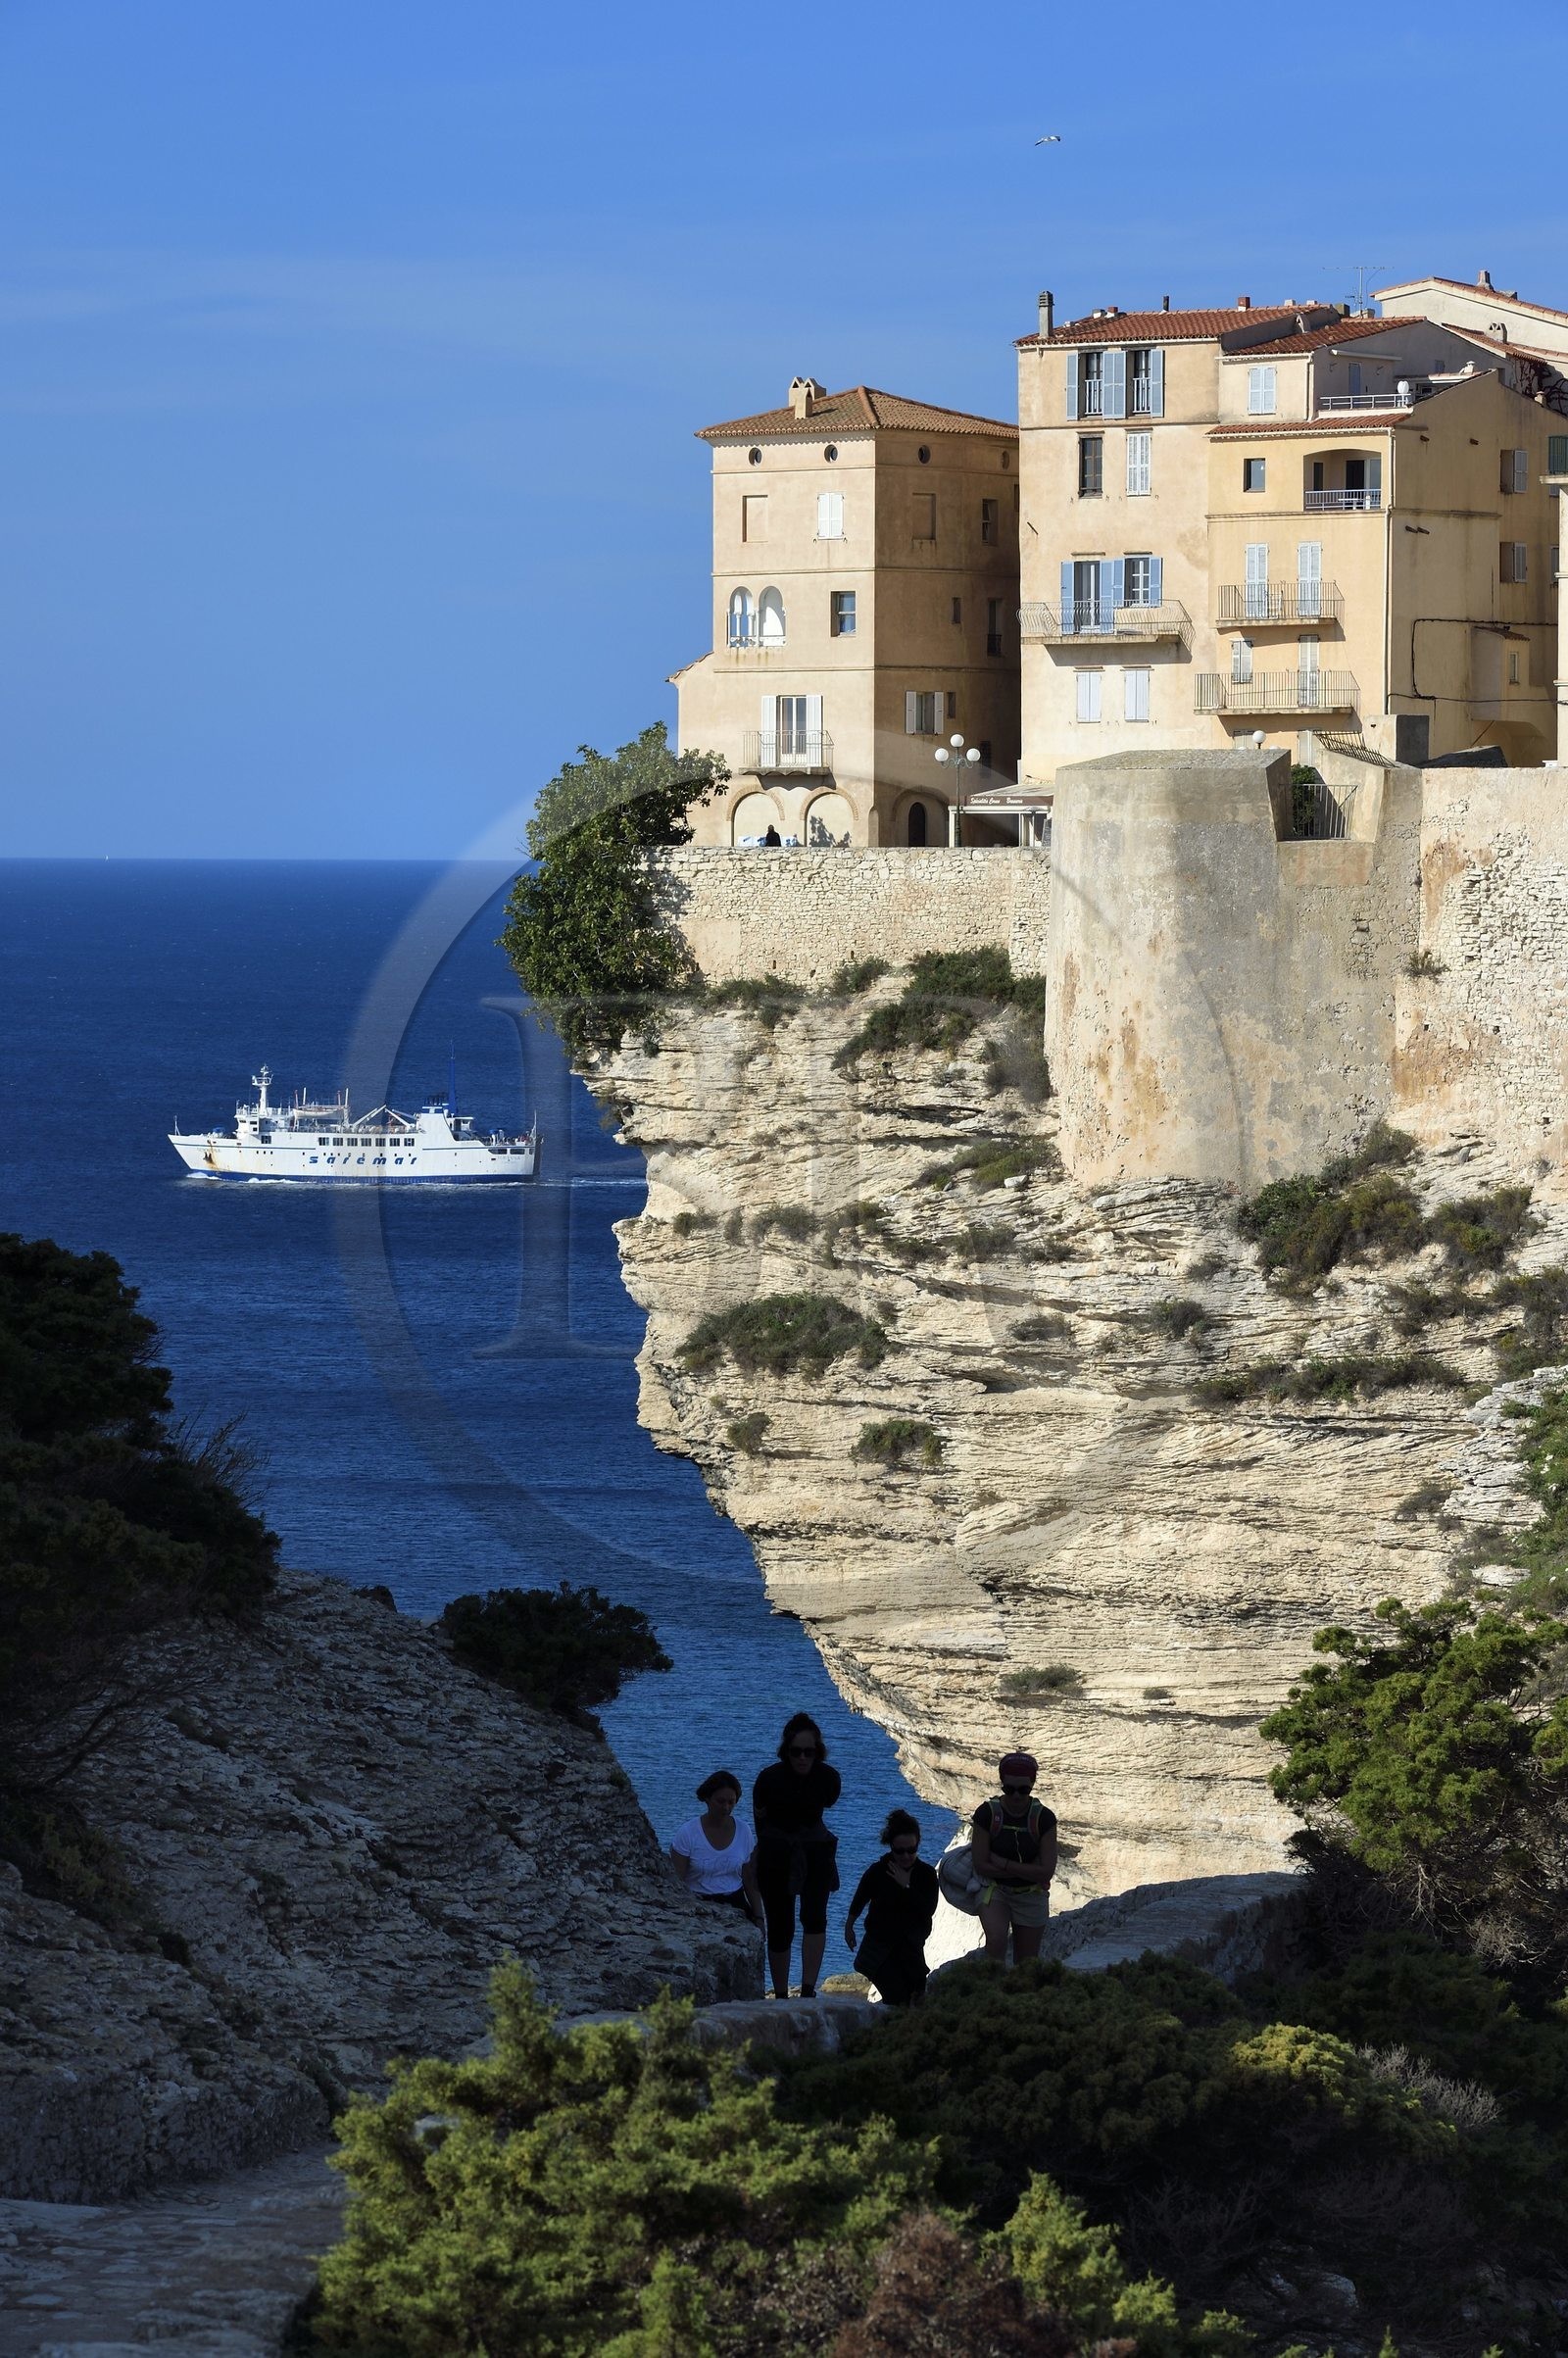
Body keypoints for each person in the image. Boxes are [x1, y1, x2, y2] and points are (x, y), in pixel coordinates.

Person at [752, 1712, 841, 1997]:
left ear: (817, 1752)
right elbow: (760, 1821)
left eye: (809, 1752)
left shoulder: (828, 1778)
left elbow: (761, 1821)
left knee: (815, 1918)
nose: (802, 1758)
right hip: (777, 1854)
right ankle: (780, 1994)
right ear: (786, 1751)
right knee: (780, 1925)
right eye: (796, 1752)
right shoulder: (768, 1779)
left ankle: (807, 1990)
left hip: (814, 1852)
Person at [844, 1810, 939, 2005]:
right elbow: (860, 1898)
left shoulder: (926, 1874)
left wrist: (907, 1886)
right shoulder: (878, 1871)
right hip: (880, 1946)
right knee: (898, 1998)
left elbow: (927, 1909)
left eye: (911, 1850)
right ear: (891, 1847)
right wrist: (849, 1926)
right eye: (899, 1851)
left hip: (911, 1947)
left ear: (918, 1844)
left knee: (916, 1996)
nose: (906, 1856)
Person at [971, 1750, 1057, 1963]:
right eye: (1009, 1789)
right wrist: (1029, 1871)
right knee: (996, 1942)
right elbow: (981, 1865)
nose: (1016, 1796)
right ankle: (992, 1983)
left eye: (1023, 1790)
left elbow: (1047, 1872)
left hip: (1030, 1894)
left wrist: (1002, 1863)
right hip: (995, 1889)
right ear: (1001, 1783)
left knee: (1027, 1962)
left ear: (1032, 1785)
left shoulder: (1044, 1818)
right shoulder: (987, 1814)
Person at [668, 1770, 760, 1923]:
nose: (726, 1807)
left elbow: (749, 1879)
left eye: (731, 1802)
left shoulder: (744, 1830)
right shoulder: (688, 1833)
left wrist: (759, 1917)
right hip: (697, 1904)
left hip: (735, 1903)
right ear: (707, 1799)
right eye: (720, 1801)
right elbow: (677, 1882)